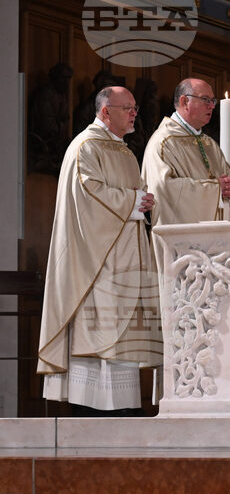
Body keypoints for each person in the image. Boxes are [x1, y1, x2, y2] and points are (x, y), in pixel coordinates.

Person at [37, 86, 162, 414]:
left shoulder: (122, 150)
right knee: (98, 335)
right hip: (97, 262)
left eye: (136, 107)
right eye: (128, 108)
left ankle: (122, 410)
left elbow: (126, 196)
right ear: (106, 111)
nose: (135, 113)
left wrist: (141, 199)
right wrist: (134, 201)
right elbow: (89, 195)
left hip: (122, 260)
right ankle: (91, 411)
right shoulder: (85, 147)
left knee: (120, 341)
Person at [142, 78, 230, 225]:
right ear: (184, 102)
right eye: (205, 99)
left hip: (218, 237)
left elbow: (229, 183)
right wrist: (215, 189)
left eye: (213, 101)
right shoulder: (164, 142)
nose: (211, 106)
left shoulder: (209, 144)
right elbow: (163, 190)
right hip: (182, 240)